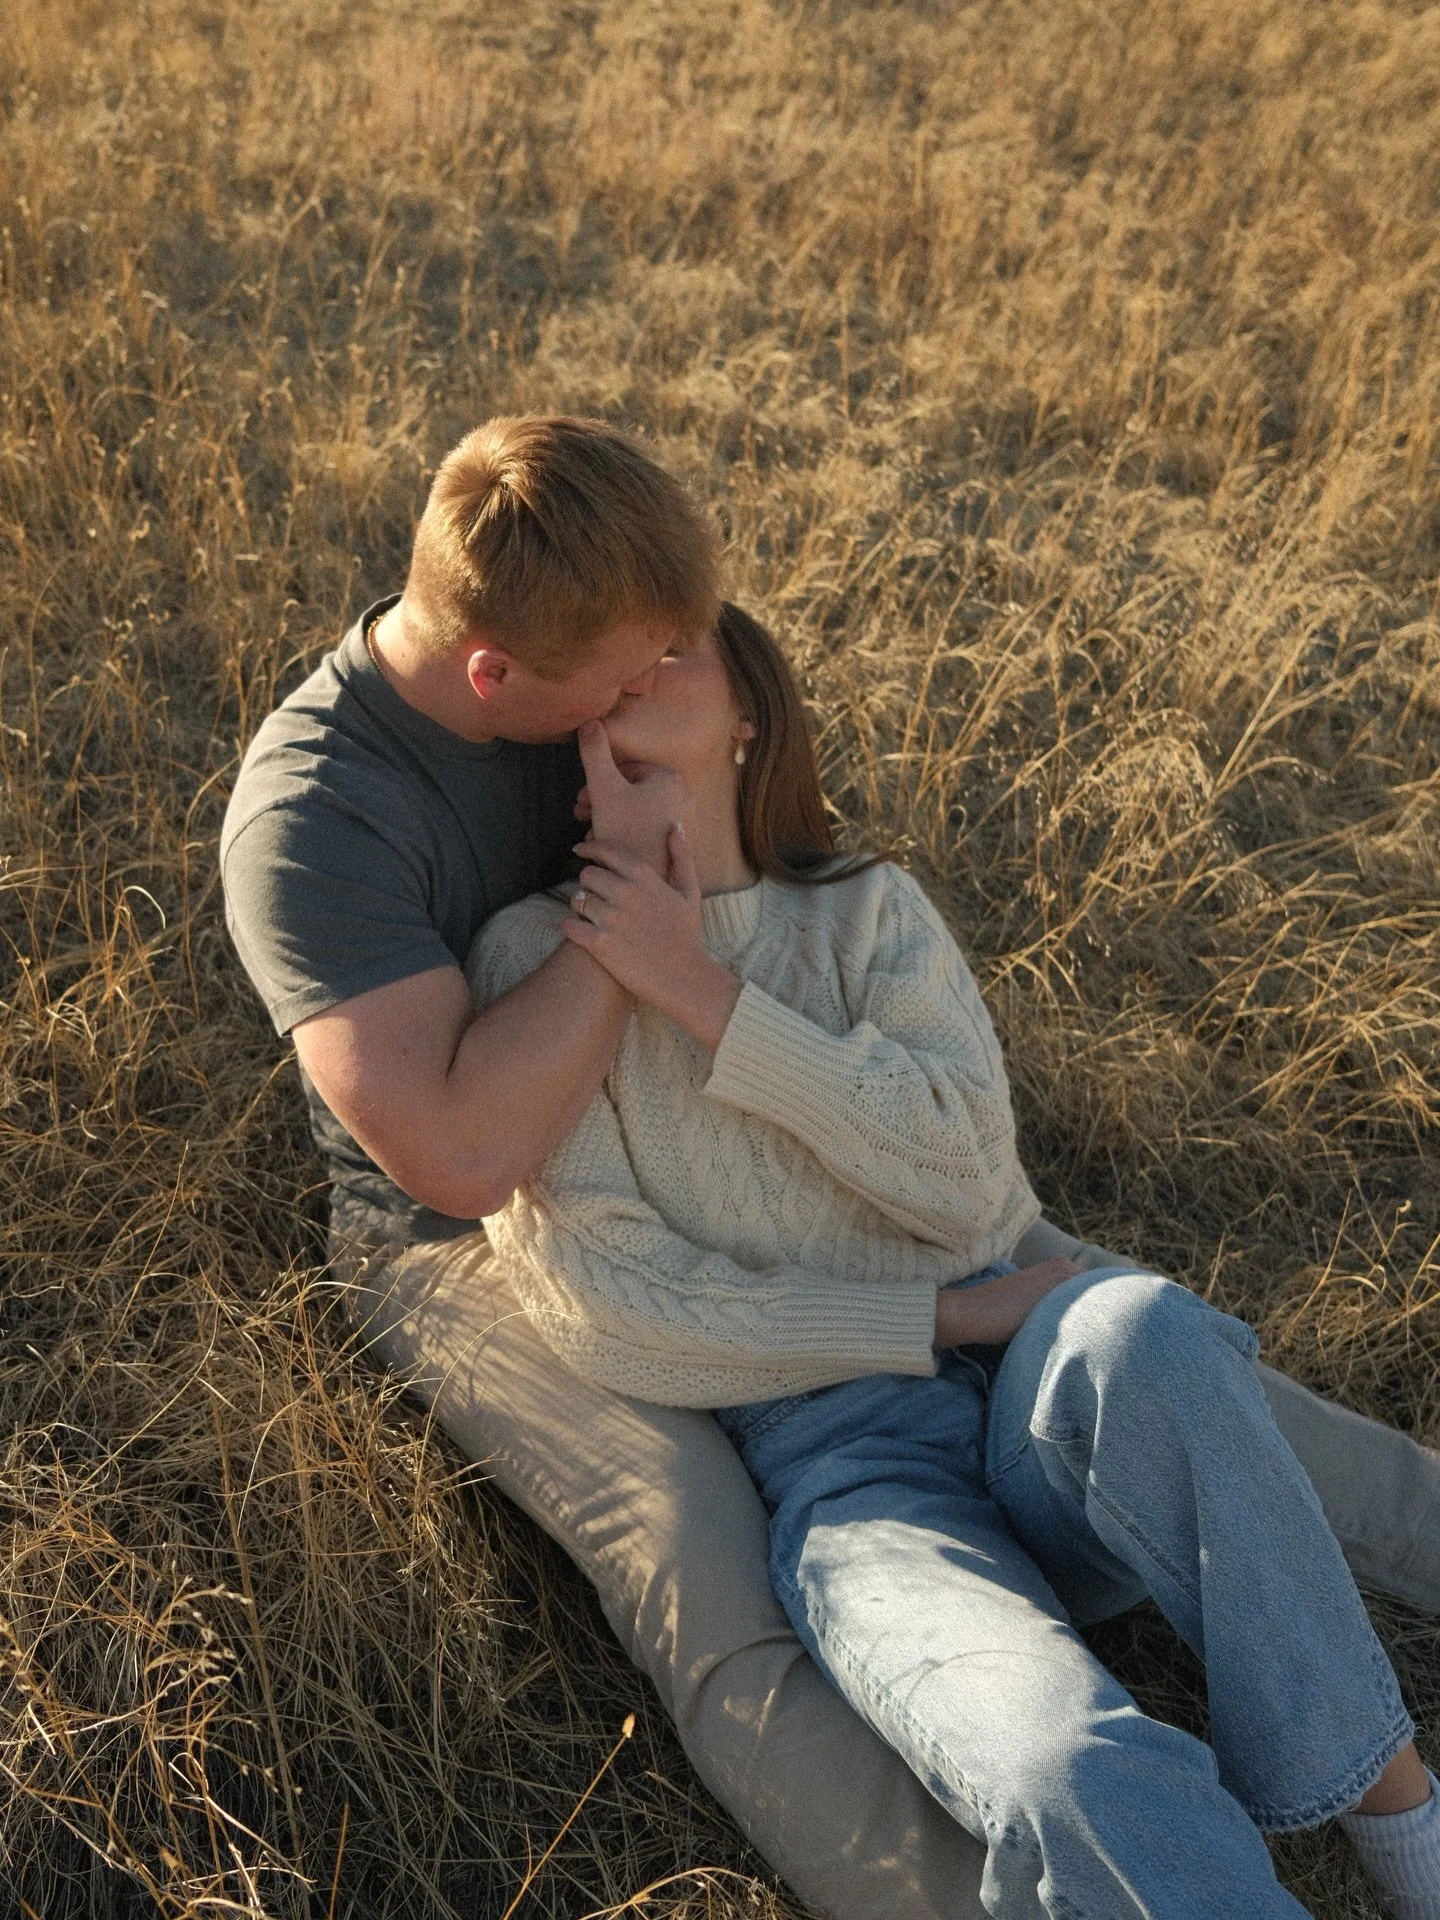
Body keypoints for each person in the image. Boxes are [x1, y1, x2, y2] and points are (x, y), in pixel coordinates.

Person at [220, 414, 1440, 1920]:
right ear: (507, 686)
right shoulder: (319, 818)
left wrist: (717, 976)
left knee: (1144, 1333)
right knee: (707, 1581)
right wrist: (639, 938)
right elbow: (473, 1162)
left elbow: (957, 1180)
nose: (664, 675)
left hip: (837, 1182)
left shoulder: (779, 833)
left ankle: (1388, 1791)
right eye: (621, 693)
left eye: (683, 657)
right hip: (464, 1217)